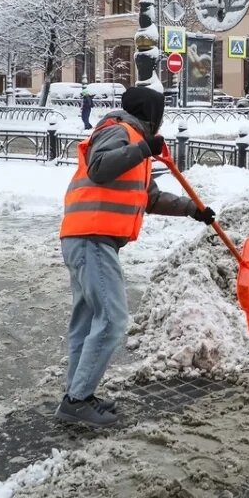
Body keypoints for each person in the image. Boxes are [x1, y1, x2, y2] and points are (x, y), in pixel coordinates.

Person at [56, 87, 216, 427]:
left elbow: (150, 198)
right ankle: (77, 400)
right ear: (151, 114)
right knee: (113, 320)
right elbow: (99, 167)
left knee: (86, 324)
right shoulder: (117, 129)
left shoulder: (132, 144)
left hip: (88, 237)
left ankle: (77, 394)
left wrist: (193, 210)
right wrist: (144, 147)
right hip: (92, 237)